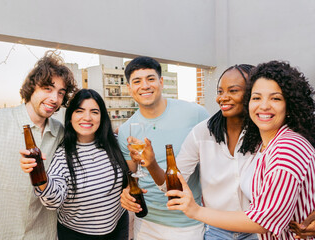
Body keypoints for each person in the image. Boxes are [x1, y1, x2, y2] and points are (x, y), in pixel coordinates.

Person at [166, 60, 315, 240]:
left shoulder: (288, 148)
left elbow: (263, 221)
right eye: (257, 97)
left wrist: (195, 210)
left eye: (275, 98)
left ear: (289, 105)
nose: (264, 105)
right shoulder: (266, 144)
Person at [0, 50, 77, 240]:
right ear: (32, 88)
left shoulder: (60, 132)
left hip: (41, 235)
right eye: (48, 88)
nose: (54, 98)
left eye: (60, 93)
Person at [137, 64, 258, 239]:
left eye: (233, 91)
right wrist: (151, 163)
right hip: (217, 230)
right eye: (220, 91)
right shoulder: (202, 132)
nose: (223, 98)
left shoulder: (265, 133)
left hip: (259, 230)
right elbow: (172, 184)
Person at [117, 56, 209, 239]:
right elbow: (132, 176)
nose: (144, 86)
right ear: (129, 88)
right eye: (137, 81)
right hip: (146, 223)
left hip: (187, 223)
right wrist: (126, 191)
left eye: (150, 79)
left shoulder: (195, 113)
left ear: (161, 81)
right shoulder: (126, 129)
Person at [20, 89, 130, 240]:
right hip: (77, 234)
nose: (87, 117)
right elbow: (54, 201)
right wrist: (41, 178)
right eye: (80, 111)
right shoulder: (62, 155)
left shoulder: (115, 143)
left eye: (94, 112)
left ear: (102, 117)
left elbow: (132, 173)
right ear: (70, 117)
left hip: (118, 227)